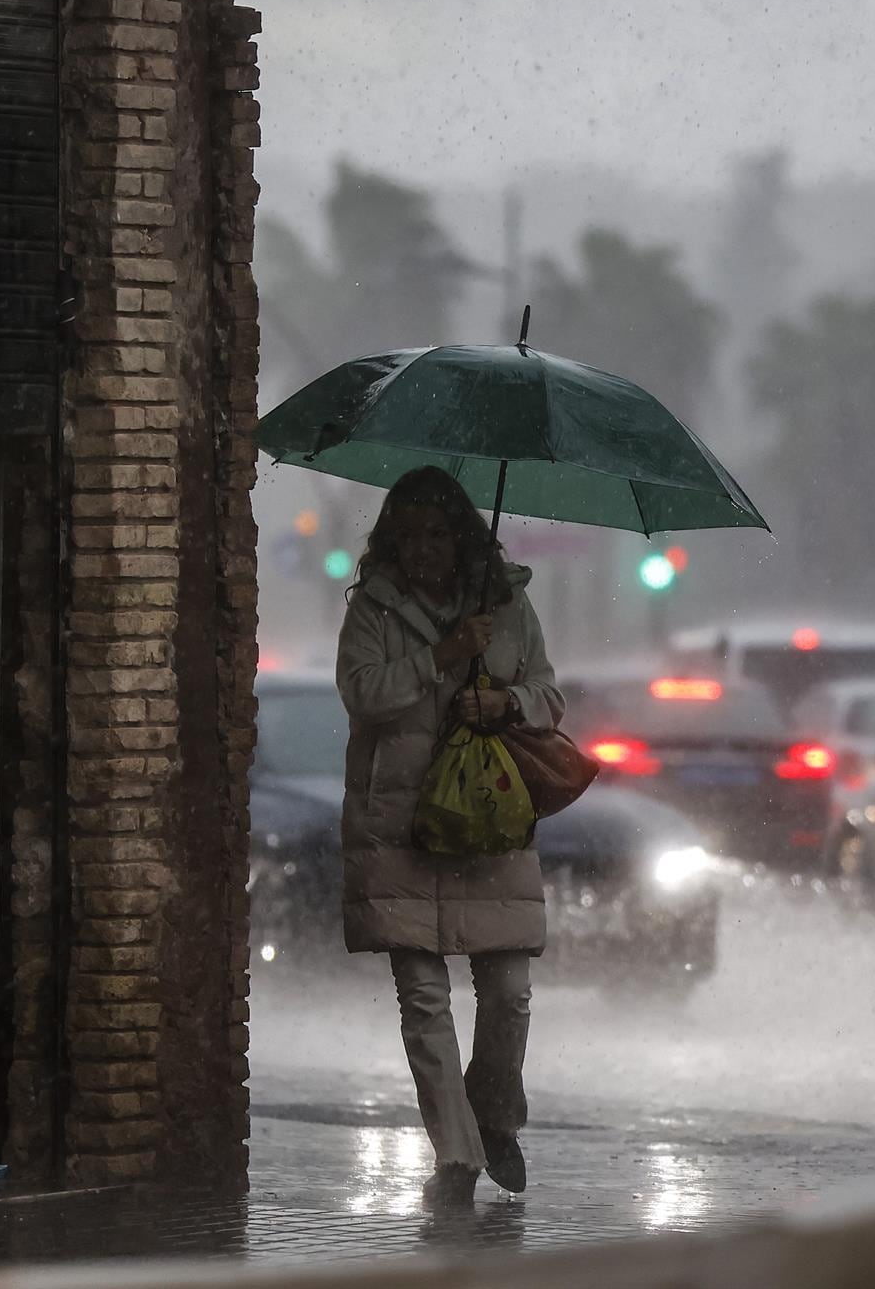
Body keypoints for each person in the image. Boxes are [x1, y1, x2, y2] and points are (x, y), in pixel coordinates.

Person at [334, 466, 564, 1207]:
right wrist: (436, 658)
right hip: (400, 825)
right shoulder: (372, 608)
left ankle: (494, 1118)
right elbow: (362, 692)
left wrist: (505, 700)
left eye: (436, 533)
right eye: (407, 536)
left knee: (509, 990)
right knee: (423, 998)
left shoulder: (508, 604)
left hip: (486, 822)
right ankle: (456, 1156)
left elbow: (549, 696)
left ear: (461, 534)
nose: (423, 549)